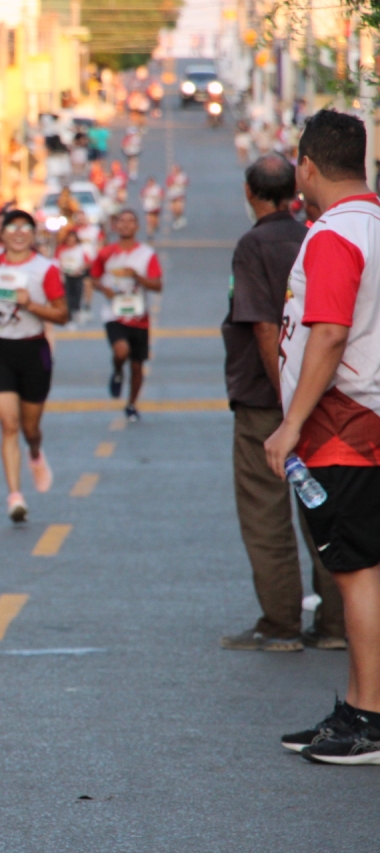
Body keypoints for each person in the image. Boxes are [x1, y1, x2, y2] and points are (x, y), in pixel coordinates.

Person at [265, 111, 380, 764]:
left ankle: (369, 718)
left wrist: (290, 424)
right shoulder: (370, 224)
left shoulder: (337, 234)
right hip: (361, 422)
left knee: (356, 575)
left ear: (307, 166)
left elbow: (330, 333)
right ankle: (358, 705)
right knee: (360, 570)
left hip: (344, 428)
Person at [221, 153, 344, 653]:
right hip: (325, 396)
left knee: (266, 513)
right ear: (295, 193)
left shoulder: (253, 245)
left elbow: (265, 328)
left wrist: (287, 403)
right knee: (322, 507)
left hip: (268, 403)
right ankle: (335, 625)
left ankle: (281, 624)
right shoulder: (314, 235)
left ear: (250, 193)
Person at [0, 210, 68, 521]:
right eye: (12, 227)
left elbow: (62, 315)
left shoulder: (45, 269)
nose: (18, 233)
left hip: (33, 351)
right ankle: (15, 496)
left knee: (30, 428)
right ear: (1, 233)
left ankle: (35, 453)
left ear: (33, 233)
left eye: (25, 227)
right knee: (9, 424)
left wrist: (31, 304)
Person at [90, 209, 162, 421]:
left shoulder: (146, 254)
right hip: (114, 314)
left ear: (137, 226)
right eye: (121, 221)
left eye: (130, 221)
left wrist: (137, 277)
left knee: (137, 366)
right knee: (121, 351)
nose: (126, 225)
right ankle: (118, 371)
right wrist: (104, 289)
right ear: (115, 226)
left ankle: (131, 404)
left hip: (139, 315)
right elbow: (93, 277)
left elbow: (157, 285)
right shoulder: (106, 253)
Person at [56, 228, 92, 322]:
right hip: (65, 276)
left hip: (77, 275)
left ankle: (77, 310)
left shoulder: (81, 250)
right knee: (67, 295)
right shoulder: (62, 249)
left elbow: (88, 262)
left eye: (73, 240)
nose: (71, 242)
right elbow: (56, 261)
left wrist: (79, 269)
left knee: (78, 294)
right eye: (69, 240)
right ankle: (69, 314)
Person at [166, 164, 189, 231]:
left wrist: (177, 184)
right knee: (173, 209)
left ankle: (181, 218)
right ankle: (176, 220)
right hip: (172, 195)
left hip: (180, 195)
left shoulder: (182, 176)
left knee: (179, 208)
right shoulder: (171, 177)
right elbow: (169, 184)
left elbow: (186, 183)